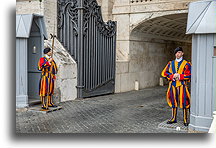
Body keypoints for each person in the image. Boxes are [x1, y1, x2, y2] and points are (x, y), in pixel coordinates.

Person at [161, 47, 191, 126]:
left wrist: (180, 76)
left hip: (182, 86)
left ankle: (185, 119)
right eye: (176, 53)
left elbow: (189, 75)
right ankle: (173, 118)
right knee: (173, 101)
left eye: (179, 52)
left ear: (182, 53)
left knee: (184, 102)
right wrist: (172, 76)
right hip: (173, 85)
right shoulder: (170, 63)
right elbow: (164, 73)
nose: (178, 54)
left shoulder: (187, 64)